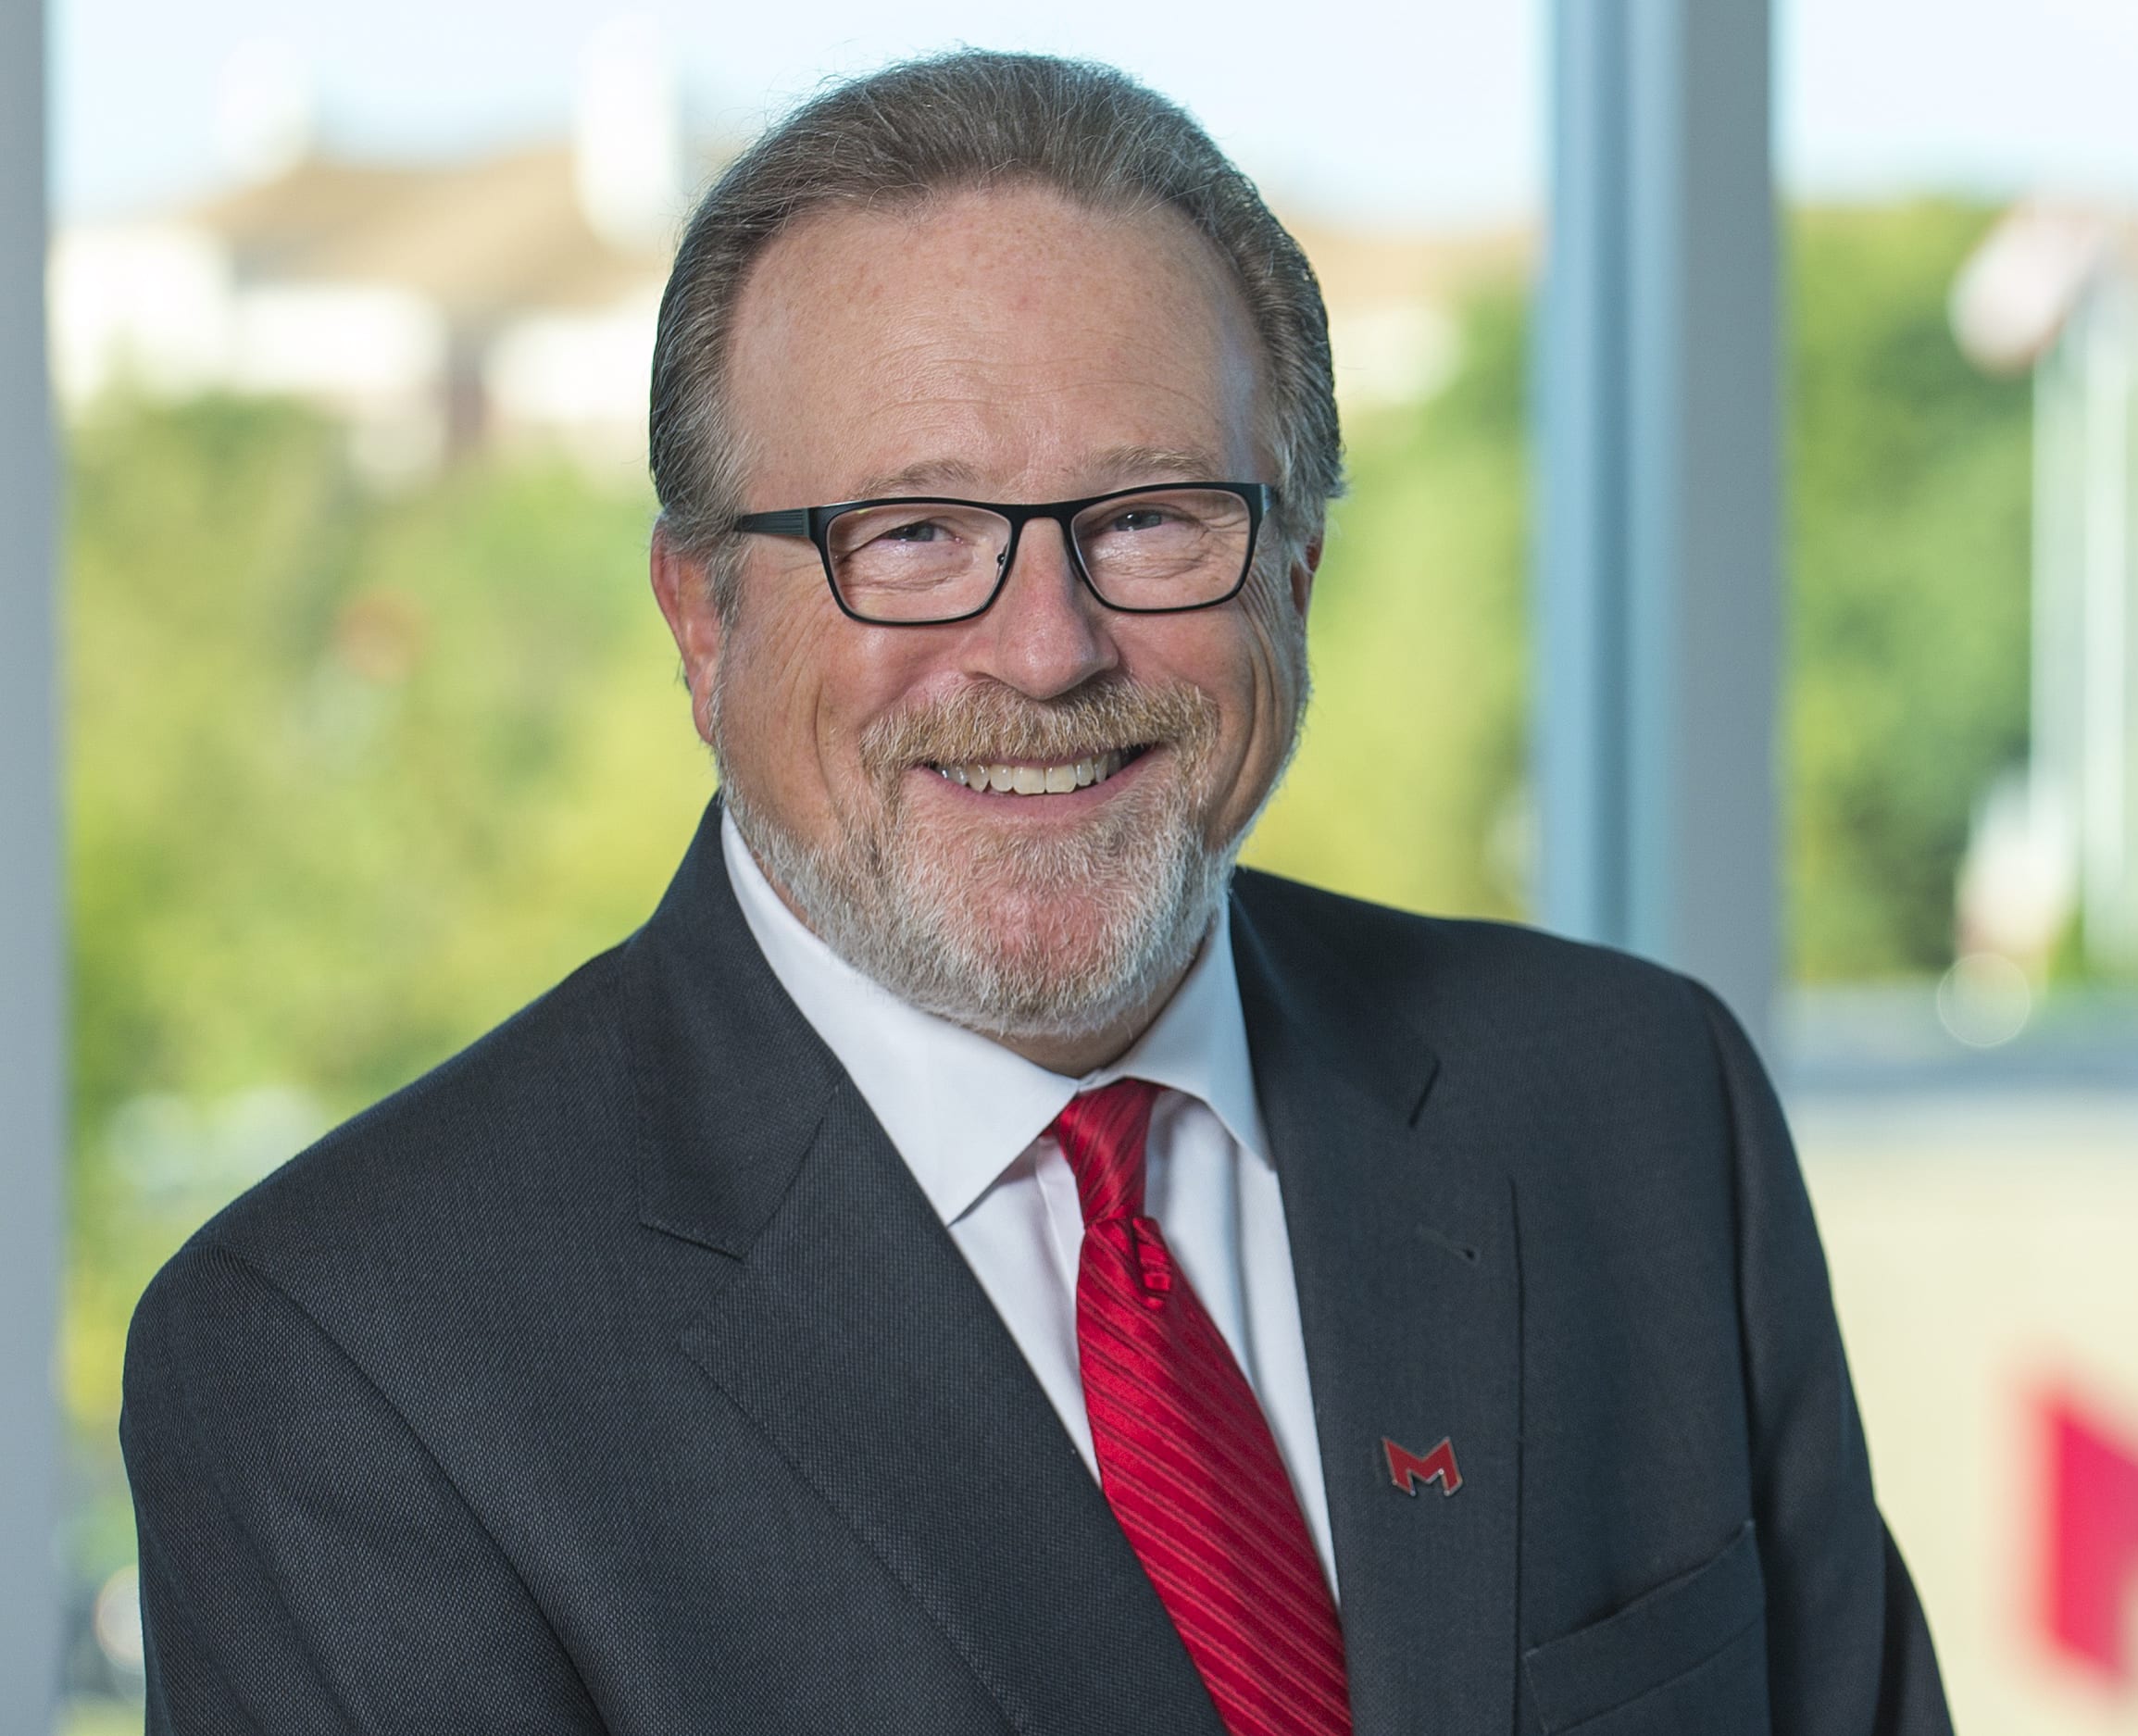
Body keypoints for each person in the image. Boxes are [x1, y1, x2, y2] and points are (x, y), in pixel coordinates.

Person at [119, 51, 1951, 1735]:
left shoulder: (1629, 1106)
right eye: (910, 534)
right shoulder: (350, 1363)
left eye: (1151, 514)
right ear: (702, 619)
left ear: (1294, 570)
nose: (1046, 644)